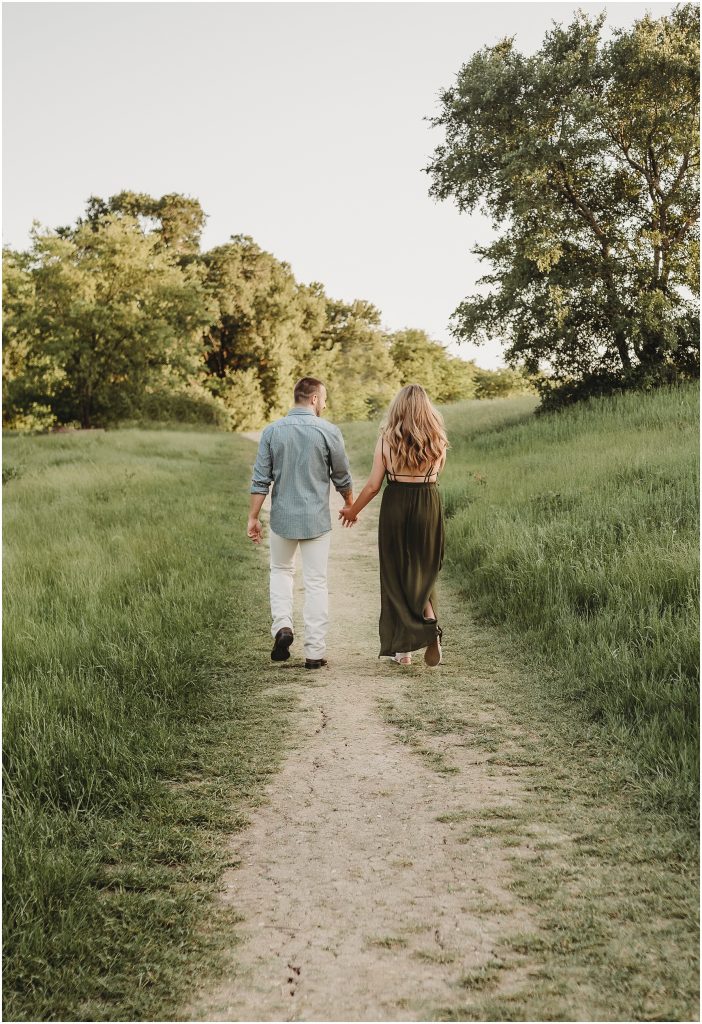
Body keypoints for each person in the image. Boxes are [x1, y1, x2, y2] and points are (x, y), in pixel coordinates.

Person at [248, 377, 354, 669]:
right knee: (316, 582)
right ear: (315, 399)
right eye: (325, 399)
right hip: (316, 520)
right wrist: (349, 502)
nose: (325, 404)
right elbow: (341, 476)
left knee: (281, 571)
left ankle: (283, 627)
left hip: (282, 518)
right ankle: (314, 653)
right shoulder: (329, 431)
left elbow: (260, 479)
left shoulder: (272, 431)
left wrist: (253, 517)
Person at [338, 383, 447, 667]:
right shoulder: (438, 440)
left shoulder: (387, 440)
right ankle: (429, 623)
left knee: (396, 575)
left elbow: (374, 485)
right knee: (423, 572)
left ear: (397, 408)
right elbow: (438, 475)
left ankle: (404, 651)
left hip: (396, 504)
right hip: (428, 504)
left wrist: (353, 511)